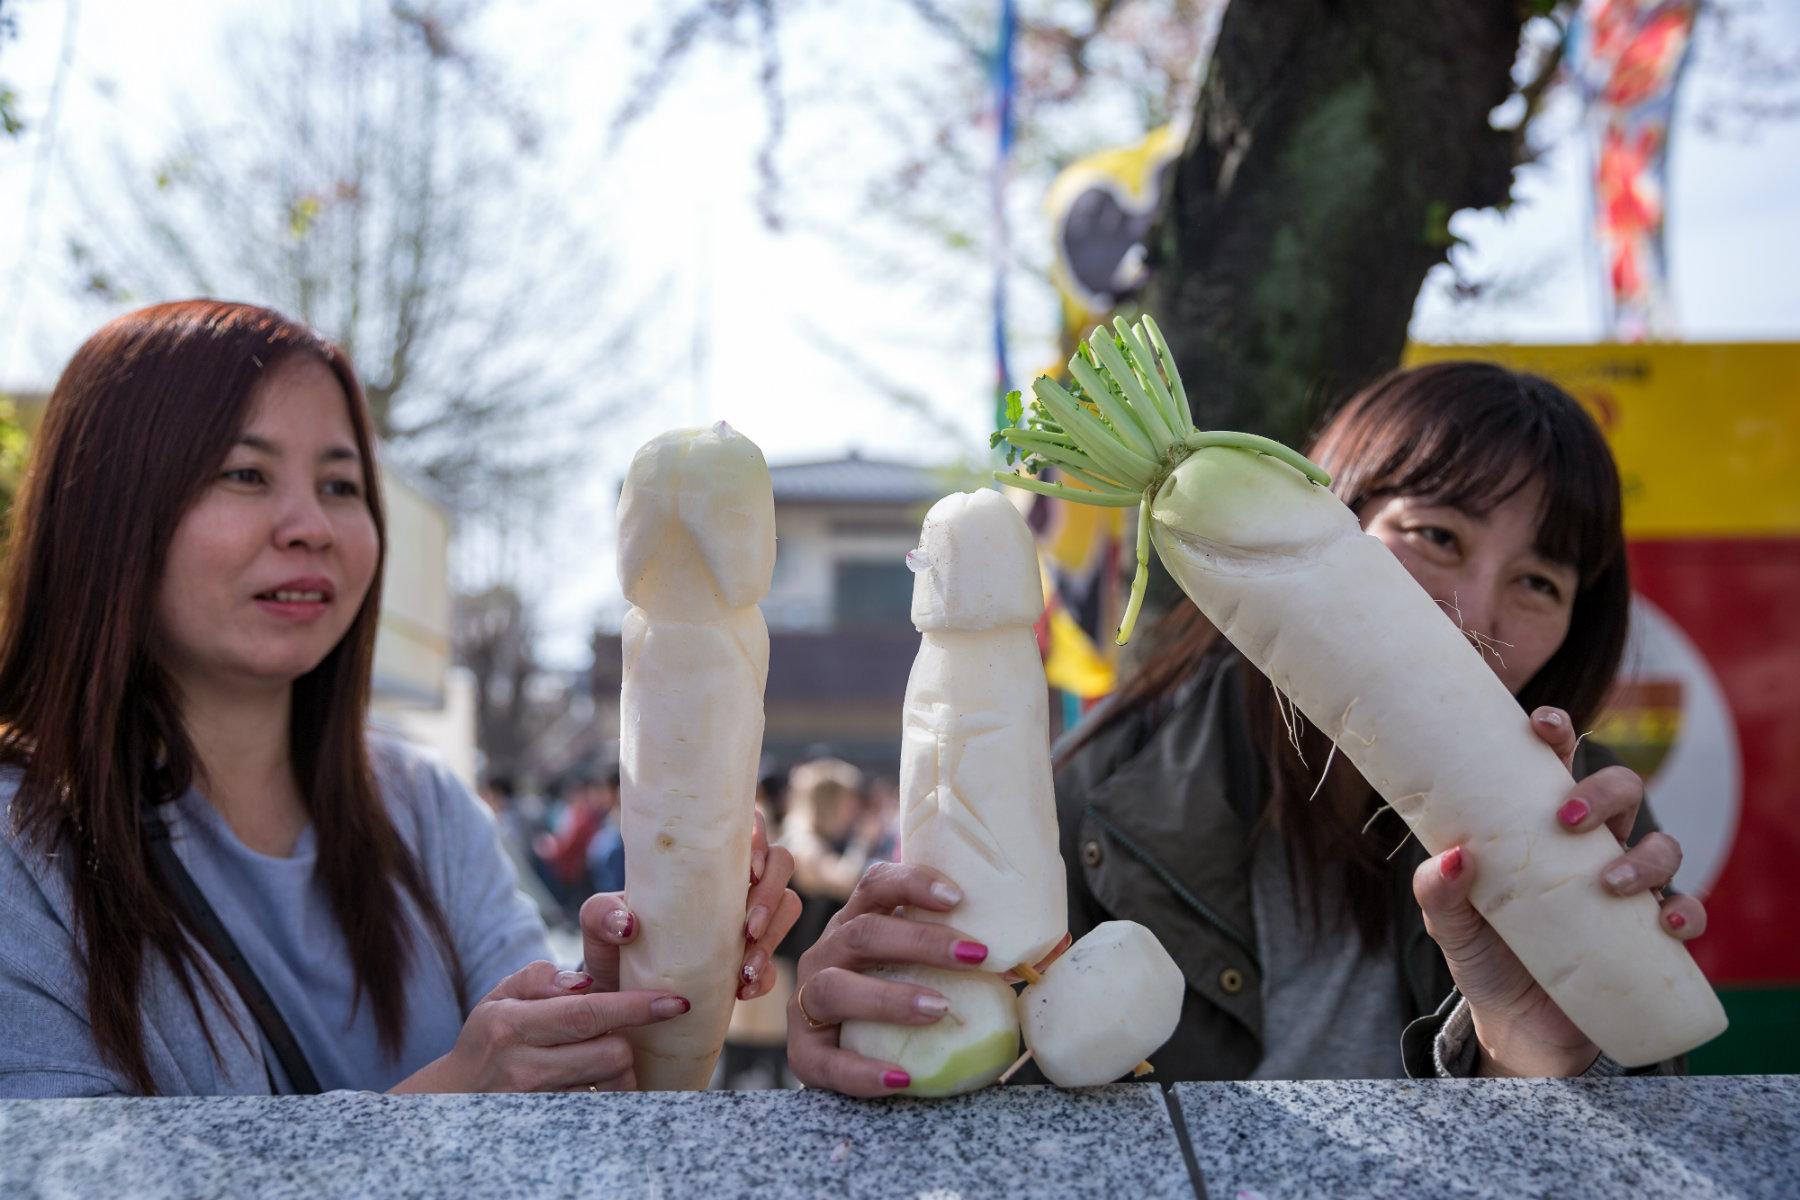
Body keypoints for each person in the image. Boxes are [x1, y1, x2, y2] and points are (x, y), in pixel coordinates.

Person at [786, 361, 1708, 1095]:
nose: (1473, 609)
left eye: (1539, 582)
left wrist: (1529, 1056)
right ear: (1326, 515)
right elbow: (1016, 1110)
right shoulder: (1104, 791)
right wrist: (884, 1035)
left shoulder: (1591, 821)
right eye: (1436, 535)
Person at [0, 299, 800, 1097]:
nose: (310, 525)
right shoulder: (20, 847)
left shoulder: (427, 813)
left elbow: (567, 1123)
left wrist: (621, 1003)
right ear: (102, 506)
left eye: (342, 484)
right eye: (246, 474)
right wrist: (451, 1099)